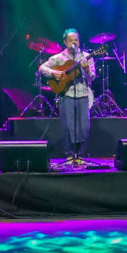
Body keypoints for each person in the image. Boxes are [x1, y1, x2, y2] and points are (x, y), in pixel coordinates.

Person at [40, 28, 96, 166]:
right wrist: (53, 73)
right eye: (70, 40)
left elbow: (92, 77)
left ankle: (80, 155)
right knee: (67, 126)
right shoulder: (59, 57)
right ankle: (69, 155)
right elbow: (42, 68)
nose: (74, 43)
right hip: (66, 94)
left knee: (84, 127)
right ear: (65, 42)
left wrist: (87, 70)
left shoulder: (86, 56)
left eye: (76, 40)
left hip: (83, 94)